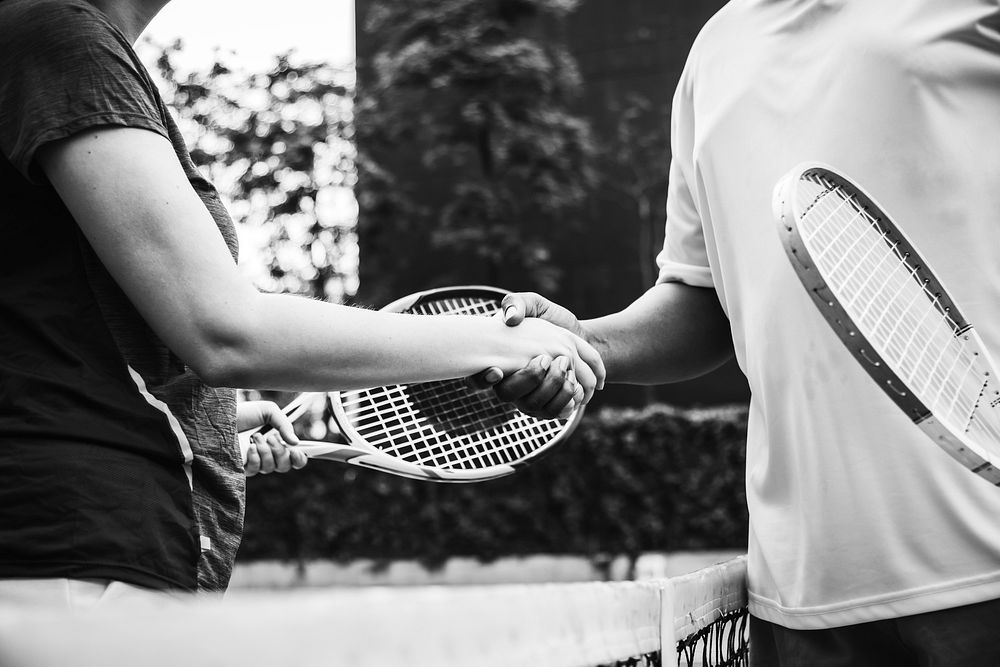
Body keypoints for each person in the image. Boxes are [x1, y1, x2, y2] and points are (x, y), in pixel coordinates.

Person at [0, 0, 603, 606]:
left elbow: (52, 337)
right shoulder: (61, 38)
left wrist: (208, 425)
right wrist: (503, 340)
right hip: (75, 552)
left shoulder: (55, 40)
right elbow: (228, 332)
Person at [477, 1, 1000, 664]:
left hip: (985, 570)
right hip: (798, 599)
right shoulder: (714, 50)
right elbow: (701, 296)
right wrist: (586, 342)